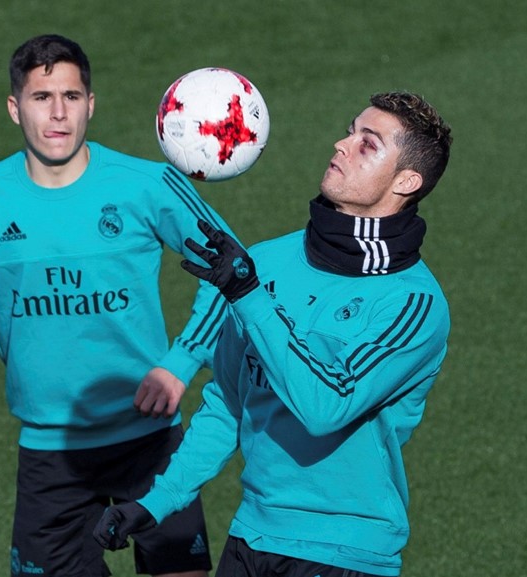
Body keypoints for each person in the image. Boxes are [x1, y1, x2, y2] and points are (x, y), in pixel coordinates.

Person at [0, 34, 227, 577]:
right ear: (14, 108)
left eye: (71, 97)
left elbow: (231, 273)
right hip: (51, 456)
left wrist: (179, 363)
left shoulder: (149, 185)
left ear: (90, 105)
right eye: (41, 97)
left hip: (153, 444)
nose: (58, 114)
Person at [94, 92, 453, 576]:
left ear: (407, 181)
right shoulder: (268, 261)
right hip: (251, 538)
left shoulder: (411, 303)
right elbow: (228, 400)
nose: (341, 144)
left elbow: (326, 406)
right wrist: (158, 502)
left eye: (367, 144)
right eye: (349, 130)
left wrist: (248, 295)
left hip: (340, 554)